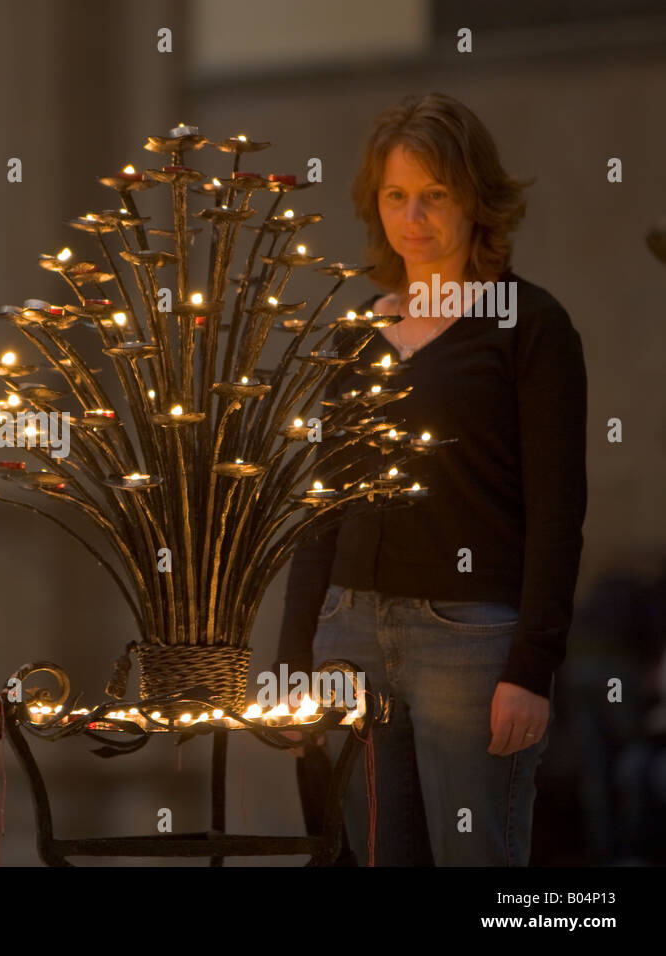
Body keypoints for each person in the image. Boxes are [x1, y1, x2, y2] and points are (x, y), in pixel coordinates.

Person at [275, 92, 587, 866]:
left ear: (476, 198)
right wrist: (291, 664)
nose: (414, 216)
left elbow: (558, 512)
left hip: (471, 645)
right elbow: (325, 506)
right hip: (348, 639)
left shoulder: (530, 325)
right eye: (396, 195)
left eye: (435, 194)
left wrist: (531, 668)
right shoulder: (357, 334)